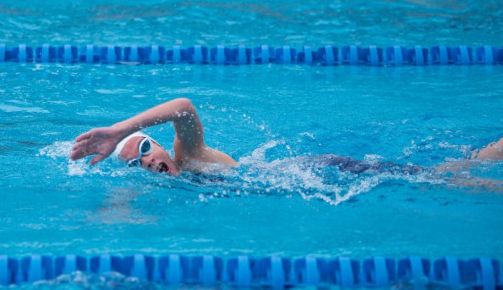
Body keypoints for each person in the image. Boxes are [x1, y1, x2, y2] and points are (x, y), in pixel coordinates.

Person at [70, 98, 503, 176]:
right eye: (135, 162)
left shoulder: (190, 155)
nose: (145, 159)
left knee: (438, 177)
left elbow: (184, 105)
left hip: (320, 171)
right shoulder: (174, 183)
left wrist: (121, 131)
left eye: (146, 148)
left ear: (161, 145)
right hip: (300, 185)